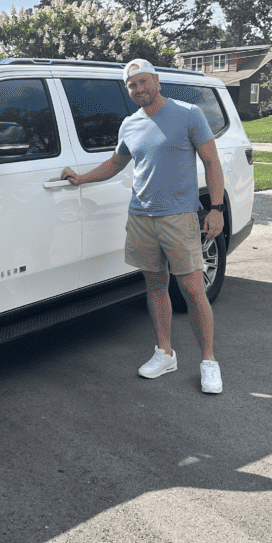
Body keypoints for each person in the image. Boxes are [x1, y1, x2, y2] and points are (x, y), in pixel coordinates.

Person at [61, 58, 226, 394]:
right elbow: (115, 164)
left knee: (193, 290)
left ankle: (209, 361)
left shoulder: (189, 113)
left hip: (179, 217)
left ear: (156, 79)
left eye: (142, 81)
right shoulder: (130, 125)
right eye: (132, 85)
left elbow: (212, 161)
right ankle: (164, 353)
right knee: (154, 286)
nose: (138, 89)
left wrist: (217, 208)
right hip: (141, 216)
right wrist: (81, 179)